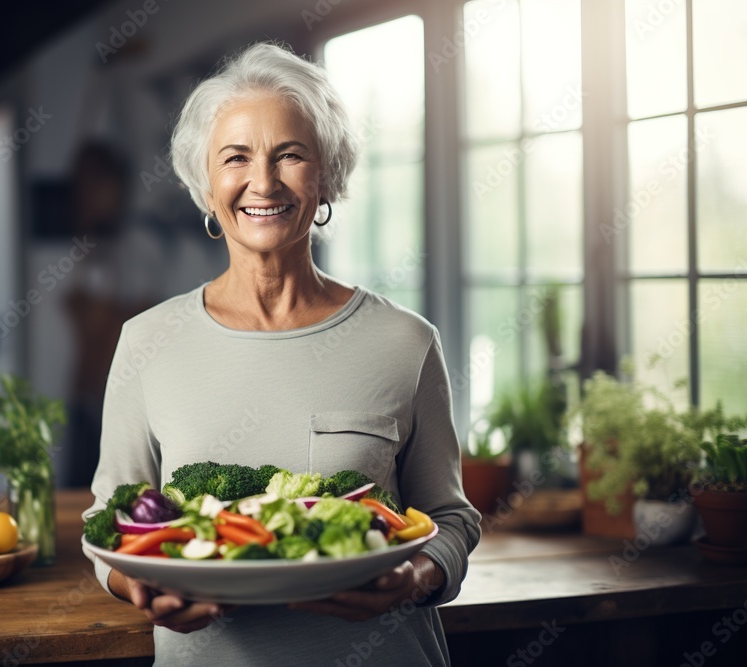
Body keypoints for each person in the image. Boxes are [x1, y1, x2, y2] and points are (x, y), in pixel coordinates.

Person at [84, 42, 481, 666]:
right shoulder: (146, 342)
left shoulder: (406, 342)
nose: (262, 182)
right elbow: (111, 522)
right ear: (206, 184)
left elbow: (450, 520)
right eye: (235, 157)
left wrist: (417, 577)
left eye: (290, 155)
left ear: (327, 175)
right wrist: (136, 585)